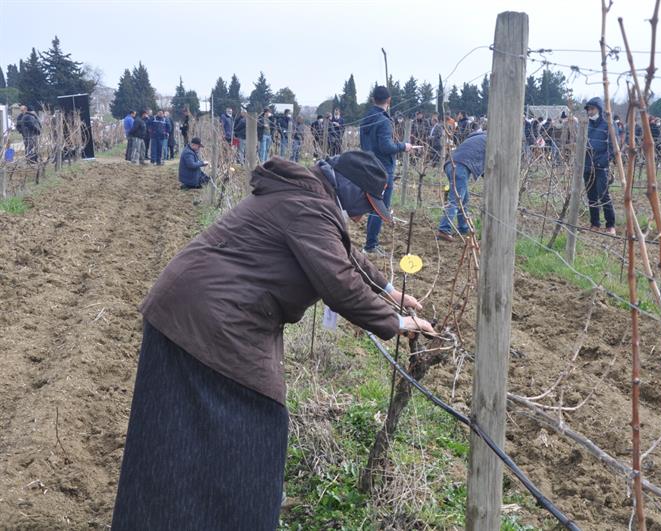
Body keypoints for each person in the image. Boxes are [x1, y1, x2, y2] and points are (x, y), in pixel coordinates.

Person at [111, 150, 433, 530]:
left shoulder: (310, 199)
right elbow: (340, 284)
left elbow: (346, 254)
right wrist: (396, 322)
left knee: (185, 428)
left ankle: (183, 516)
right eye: (366, 205)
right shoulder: (308, 207)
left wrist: (390, 291)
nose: (364, 217)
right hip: (210, 317)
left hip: (200, 310)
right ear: (349, 189)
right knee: (257, 422)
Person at [359, 85, 414, 255]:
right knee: (380, 207)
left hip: (369, 164)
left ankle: (370, 243)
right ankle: (371, 245)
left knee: (374, 204)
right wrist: (403, 146)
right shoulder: (383, 121)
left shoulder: (366, 118)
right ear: (389, 100)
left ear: (373, 99)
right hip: (383, 169)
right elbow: (386, 147)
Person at [436, 126, 487, 241]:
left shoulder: (476, 137)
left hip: (450, 164)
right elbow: (487, 163)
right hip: (460, 167)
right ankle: (443, 229)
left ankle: (463, 228)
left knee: (463, 199)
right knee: (455, 200)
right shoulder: (491, 141)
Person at [583, 97, 616, 235]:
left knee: (603, 194)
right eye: (588, 109)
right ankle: (595, 223)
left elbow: (613, 147)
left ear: (600, 109)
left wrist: (602, 161)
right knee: (591, 195)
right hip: (587, 165)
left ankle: (610, 225)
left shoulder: (608, 125)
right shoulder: (586, 125)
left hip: (601, 167)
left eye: (592, 109)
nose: (590, 112)